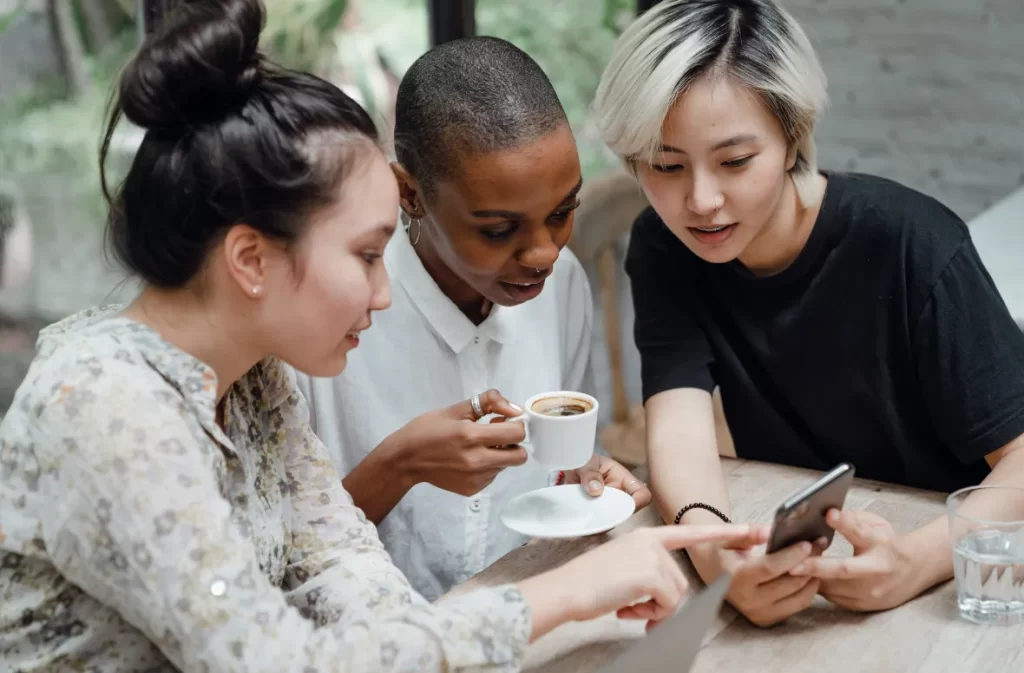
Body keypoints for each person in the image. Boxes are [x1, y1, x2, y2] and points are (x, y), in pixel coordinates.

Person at [0, 2, 769, 671]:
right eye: (368, 254)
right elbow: (275, 661)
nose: (383, 287)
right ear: (250, 259)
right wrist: (560, 595)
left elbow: (345, 574)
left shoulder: (256, 381)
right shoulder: (104, 404)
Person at [592, 0, 1024, 626]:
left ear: (792, 132)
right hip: (804, 559)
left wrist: (917, 560)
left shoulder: (911, 241)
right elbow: (679, 430)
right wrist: (718, 561)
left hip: (964, 578)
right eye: (665, 166)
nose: (702, 202)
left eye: (735, 161)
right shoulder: (665, 247)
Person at [295, 37, 650, 600]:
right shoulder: (327, 318)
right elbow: (282, 563)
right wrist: (398, 465)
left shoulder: (564, 289)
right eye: (498, 230)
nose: (544, 254)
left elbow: (563, 473)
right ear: (409, 193)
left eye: (562, 213)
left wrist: (584, 476)